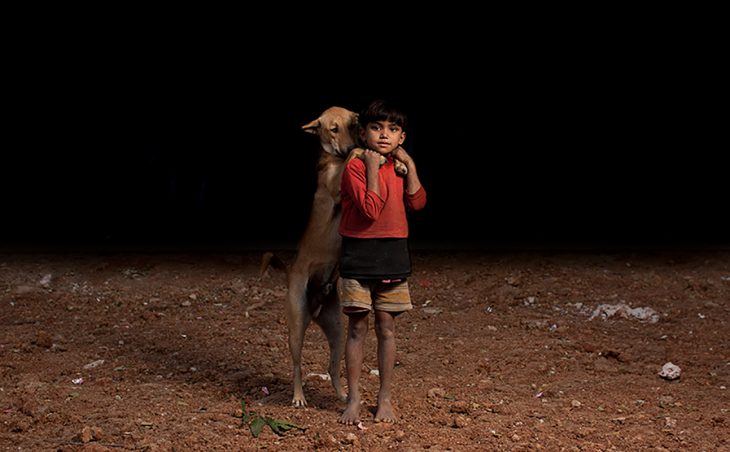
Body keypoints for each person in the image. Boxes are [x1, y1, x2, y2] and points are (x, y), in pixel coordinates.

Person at [337, 99, 427, 424]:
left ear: (402, 136)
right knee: (357, 327)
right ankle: (354, 398)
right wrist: (374, 168)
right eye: (376, 128)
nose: (384, 135)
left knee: (386, 327)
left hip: (392, 254)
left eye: (392, 129)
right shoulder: (356, 167)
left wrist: (410, 166)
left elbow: (417, 202)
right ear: (363, 133)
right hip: (359, 254)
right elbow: (371, 210)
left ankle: (384, 397)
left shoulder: (399, 166)